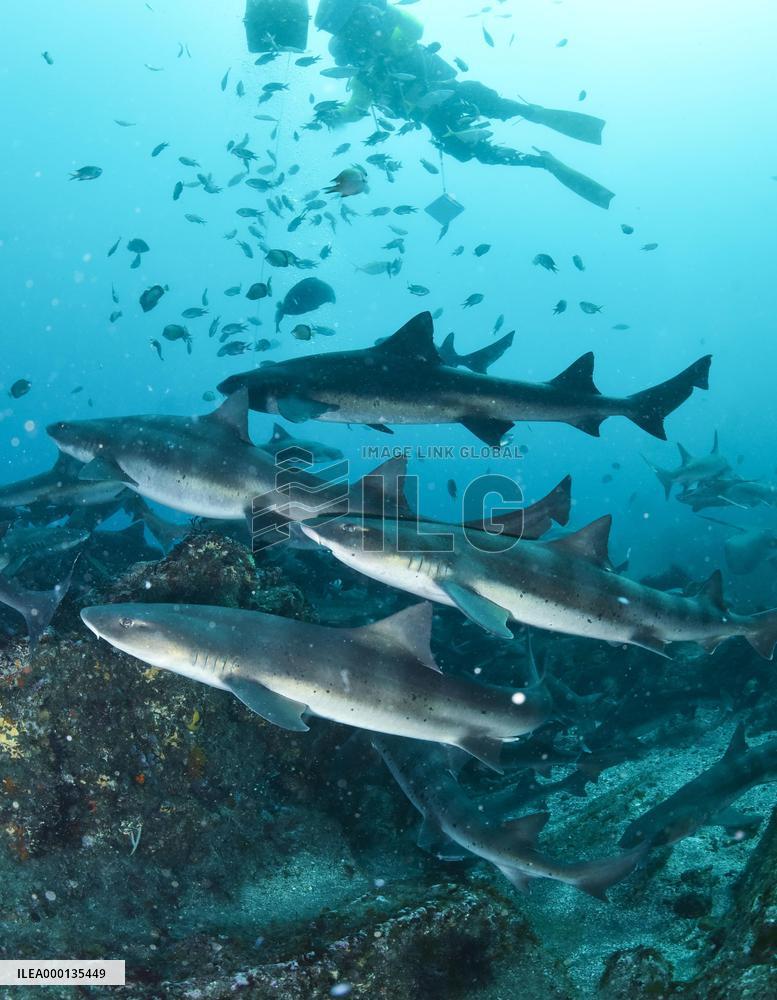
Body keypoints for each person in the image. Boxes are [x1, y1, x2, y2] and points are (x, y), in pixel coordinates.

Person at [245, 0, 614, 209]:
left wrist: (386, 18)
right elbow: (357, 107)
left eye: (354, 29)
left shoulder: (392, 35)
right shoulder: (363, 76)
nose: (355, 41)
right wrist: (334, 116)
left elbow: (415, 28)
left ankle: (531, 113)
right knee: (477, 153)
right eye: (347, 37)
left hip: (451, 89)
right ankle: (543, 161)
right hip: (431, 119)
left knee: (499, 108)